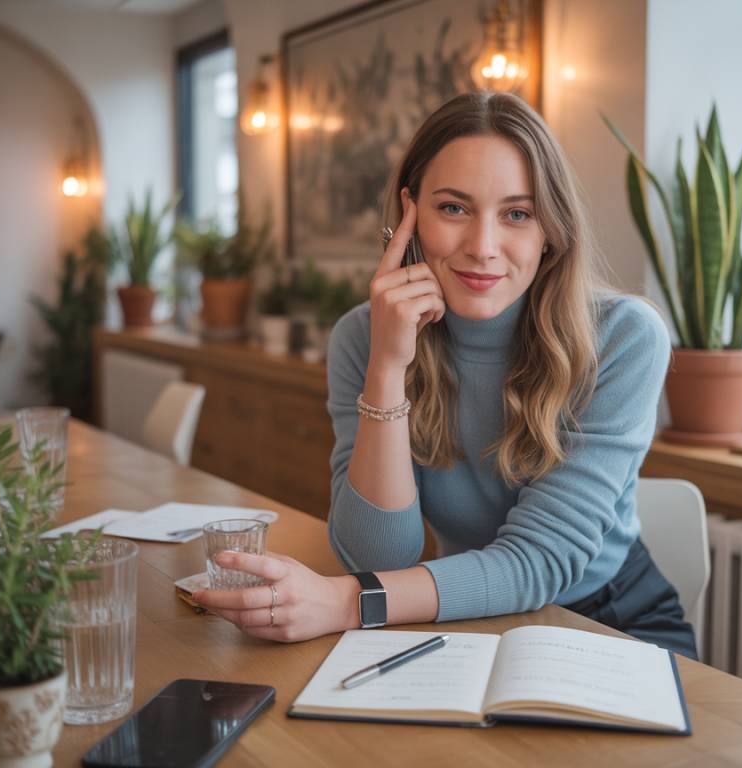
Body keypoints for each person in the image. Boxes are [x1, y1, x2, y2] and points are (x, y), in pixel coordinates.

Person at [193, 91, 697, 659]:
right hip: (457, 611)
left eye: (517, 213)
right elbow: (377, 559)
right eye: (453, 208)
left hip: (608, 620)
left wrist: (343, 604)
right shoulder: (363, 336)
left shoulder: (623, 337)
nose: (482, 247)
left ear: (550, 229)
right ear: (409, 215)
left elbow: (540, 563)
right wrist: (387, 366)